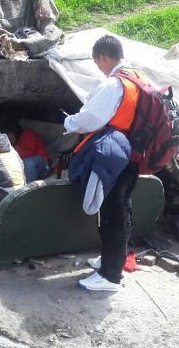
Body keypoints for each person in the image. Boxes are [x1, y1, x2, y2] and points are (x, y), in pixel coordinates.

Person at [65, 35, 152, 292]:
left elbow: (91, 119)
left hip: (114, 155)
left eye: (97, 62)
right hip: (134, 154)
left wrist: (69, 123)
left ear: (103, 56)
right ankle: (112, 260)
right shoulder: (139, 78)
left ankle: (109, 277)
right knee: (122, 211)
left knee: (112, 215)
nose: (98, 68)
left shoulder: (115, 84)